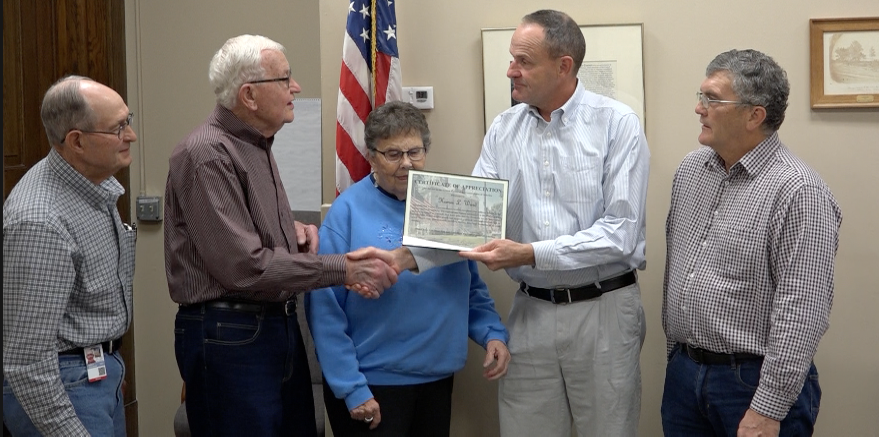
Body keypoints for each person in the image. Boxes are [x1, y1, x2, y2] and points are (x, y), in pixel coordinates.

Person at [164, 34, 399, 437]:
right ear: (249, 95)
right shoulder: (207, 153)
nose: (296, 88)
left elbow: (238, 234)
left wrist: (292, 233)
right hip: (232, 334)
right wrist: (342, 268)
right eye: (285, 79)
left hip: (271, 327)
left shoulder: (256, 144)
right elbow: (245, 268)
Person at [661, 49, 842, 437]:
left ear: (754, 115)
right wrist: (677, 360)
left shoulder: (799, 192)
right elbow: (676, 273)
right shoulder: (691, 171)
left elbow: (803, 311)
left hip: (750, 384)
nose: (699, 107)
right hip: (684, 374)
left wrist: (769, 407)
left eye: (712, 99)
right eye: (700, 95)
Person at [305, 101, 510, 437]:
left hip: (436, 380)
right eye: (393, 154)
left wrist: (492, 334)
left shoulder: (447, 205)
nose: (406, 164)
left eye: (415, 152)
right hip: (372, 384)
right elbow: (324, 311)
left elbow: (468, 288)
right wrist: (351, 387)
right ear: (371, 156)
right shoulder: (347, 212)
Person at [3, 75, 137, 436]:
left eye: (129, 121)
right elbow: (27, 362)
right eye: (118, 128)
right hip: (63, 390)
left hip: (93, 375)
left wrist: (108, 368)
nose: (131, 135)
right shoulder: (41, 220)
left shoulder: (94, 185)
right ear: (76, 141)